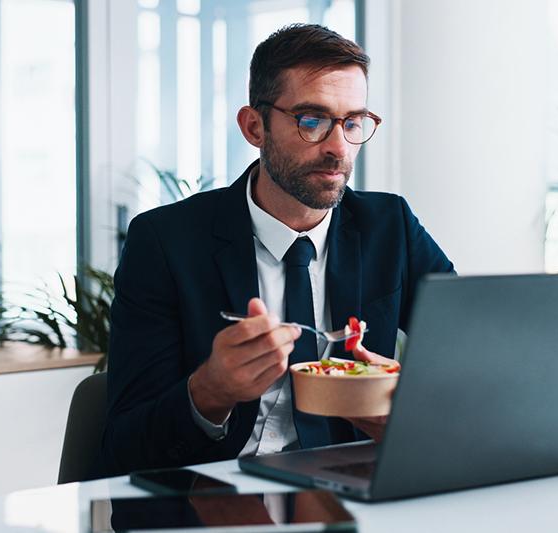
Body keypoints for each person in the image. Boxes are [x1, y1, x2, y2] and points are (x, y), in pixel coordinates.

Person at [97, 23, 454, 478]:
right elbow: (122, 448)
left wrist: (403, 401)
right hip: (214, 500)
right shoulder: (165, 242)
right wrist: (210, 391)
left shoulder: (391, 228)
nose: (338, 148)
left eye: (353, 123)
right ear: (254, 126)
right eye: (312, 121)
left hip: (354, 494)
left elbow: (473, 367)